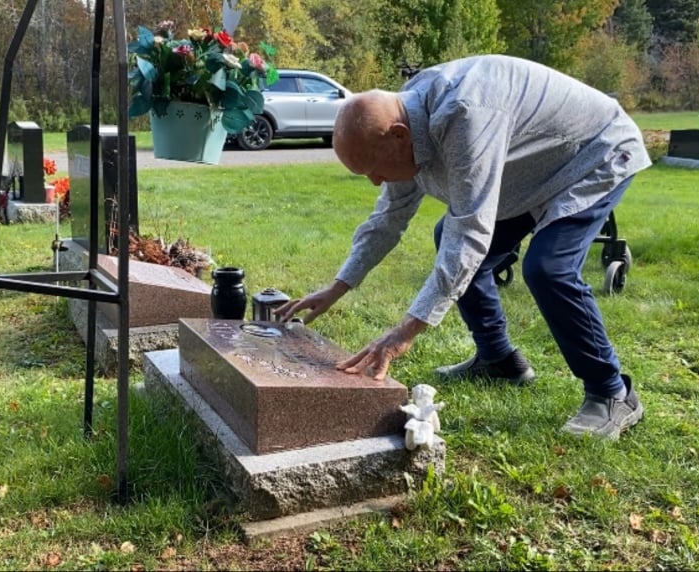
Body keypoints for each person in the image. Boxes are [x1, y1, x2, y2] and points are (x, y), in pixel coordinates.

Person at [274, 55, 651, 440]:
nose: (375, 181)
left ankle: (612, 392)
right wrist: (338, 286)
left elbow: (470, 233)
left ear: (399, 135)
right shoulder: (403, 128)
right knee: (446, 238)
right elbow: (387, 219)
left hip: (595, 154)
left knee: (548, 267)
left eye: (373, 168)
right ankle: (499, 359)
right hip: (536, 167)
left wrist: (406, 330)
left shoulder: (466, 116)